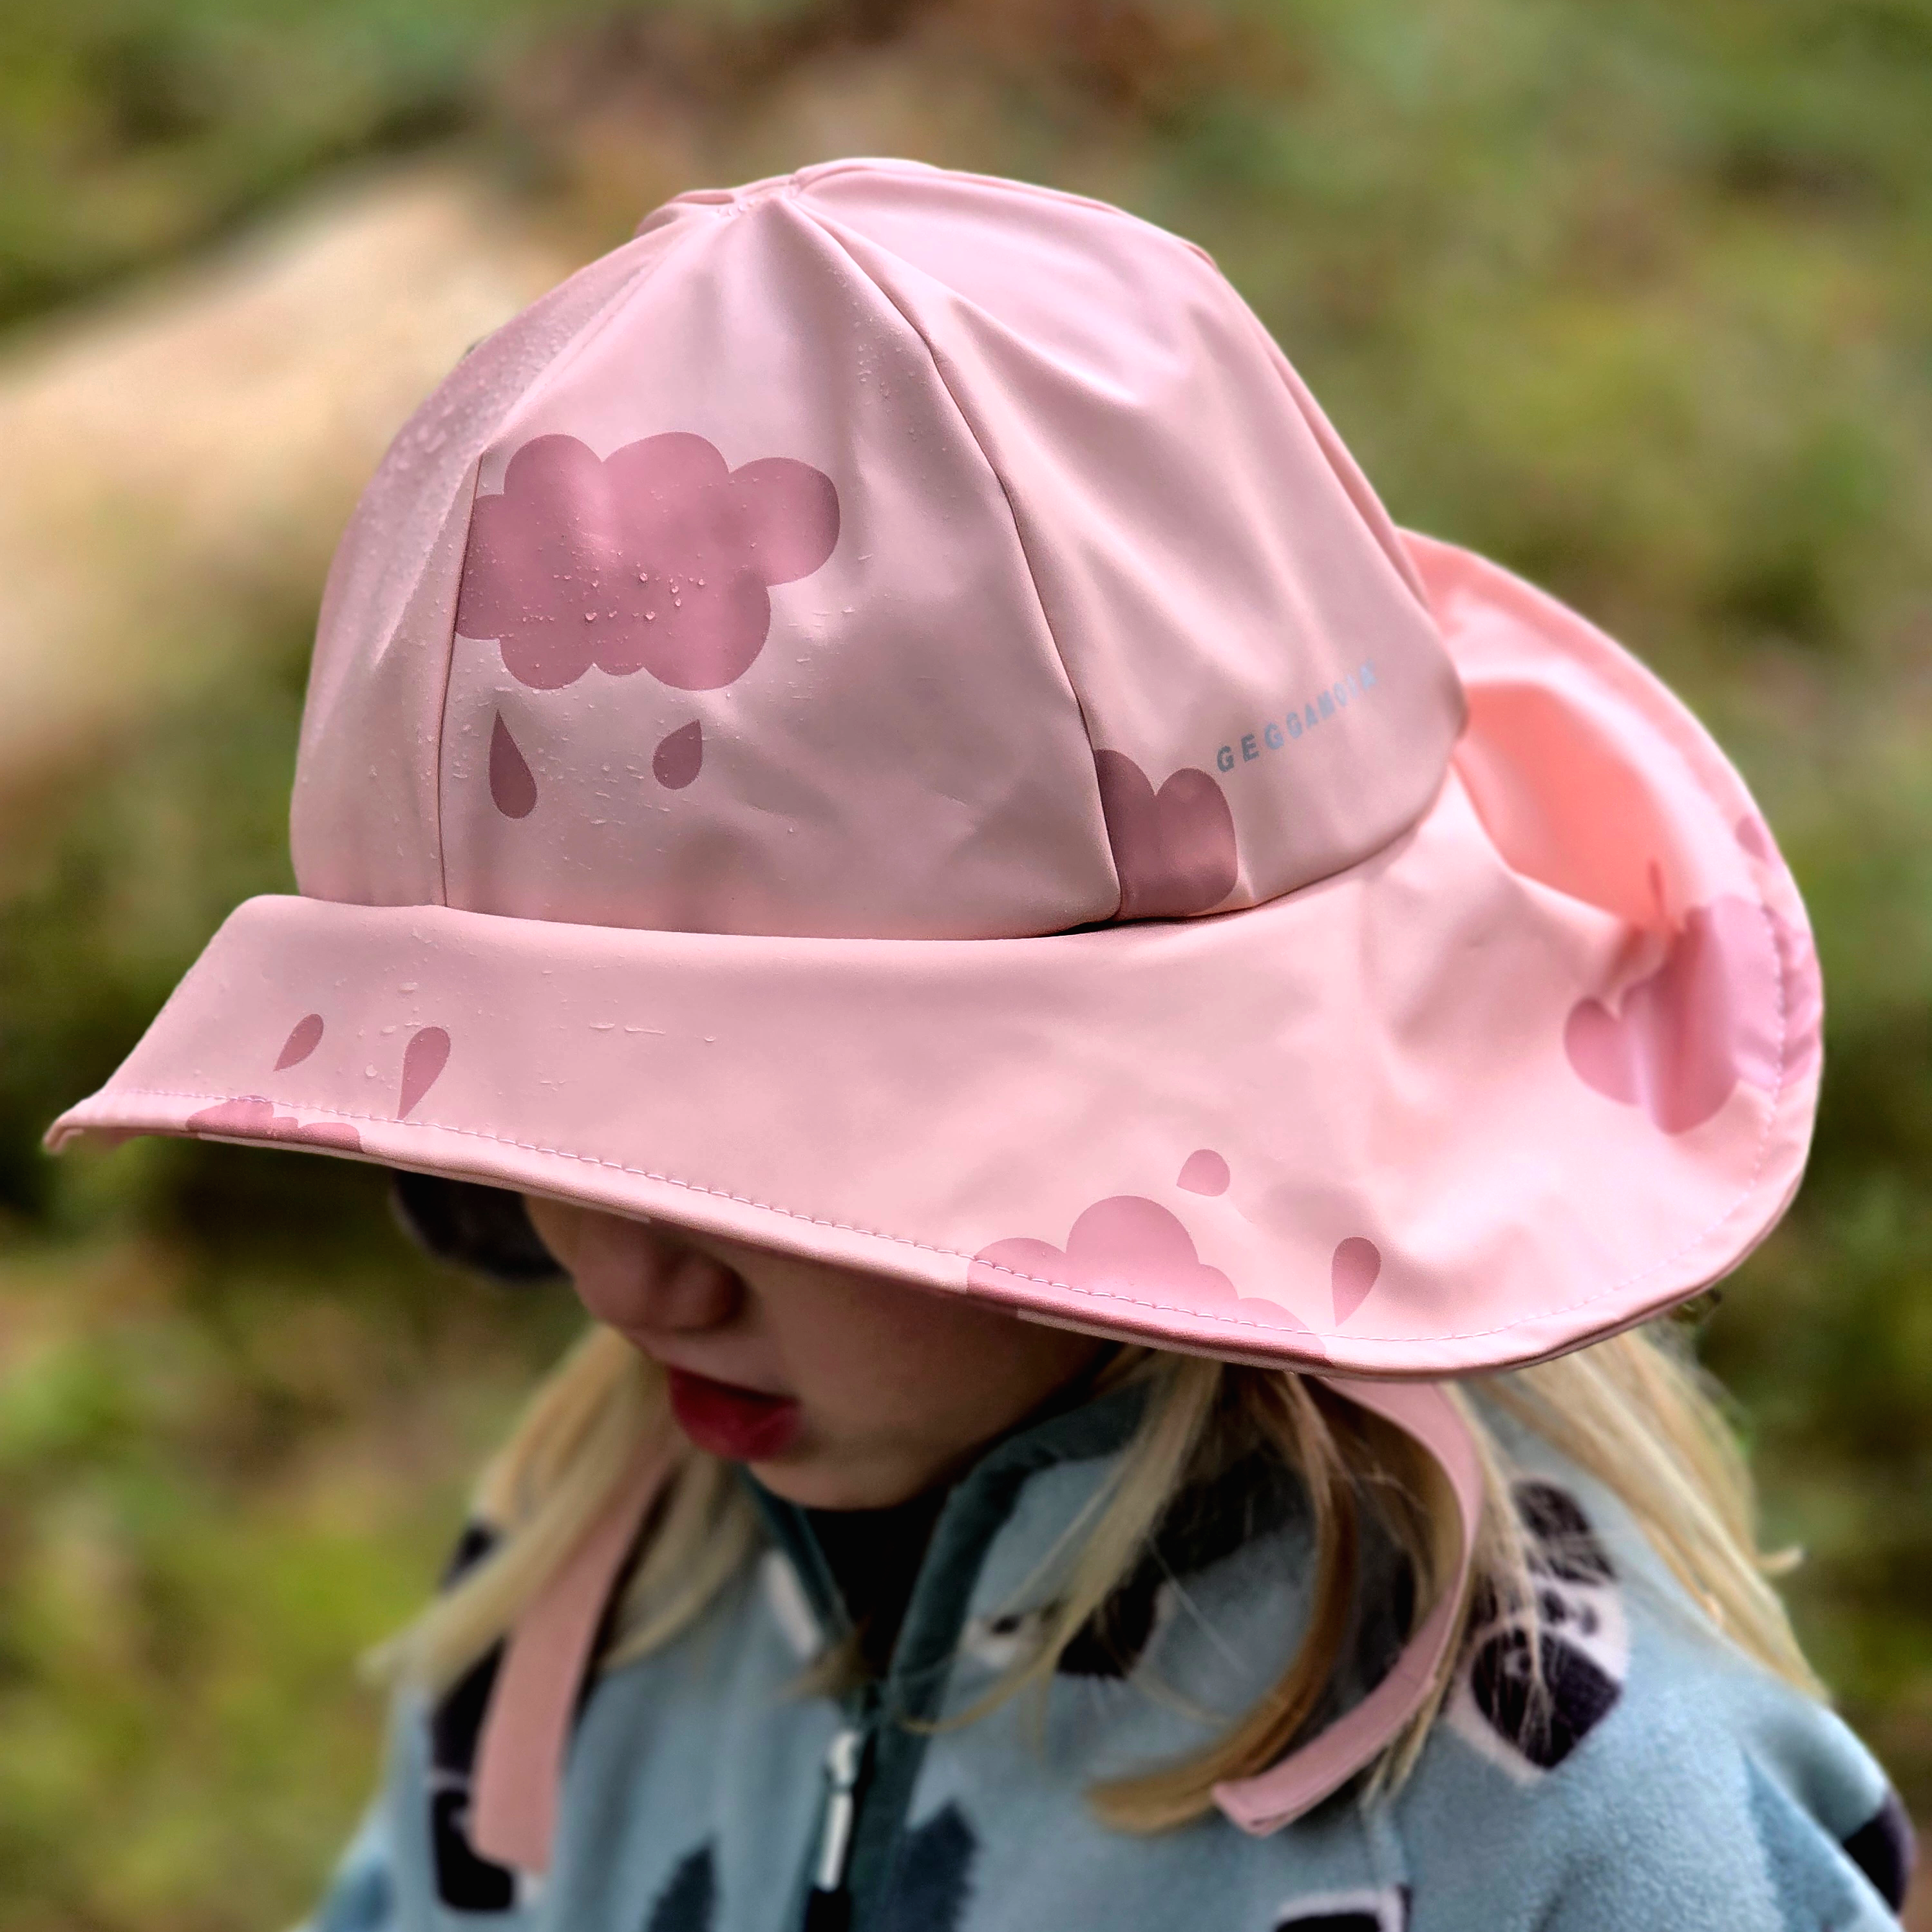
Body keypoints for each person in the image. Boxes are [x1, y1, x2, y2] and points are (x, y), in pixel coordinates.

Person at [47, 159, 1914, 1931]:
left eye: (778, 1139)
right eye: (556, 1122)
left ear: (1207, 1092)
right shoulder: (603, 1590)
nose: (628, 1266)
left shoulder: (1557, 1812)